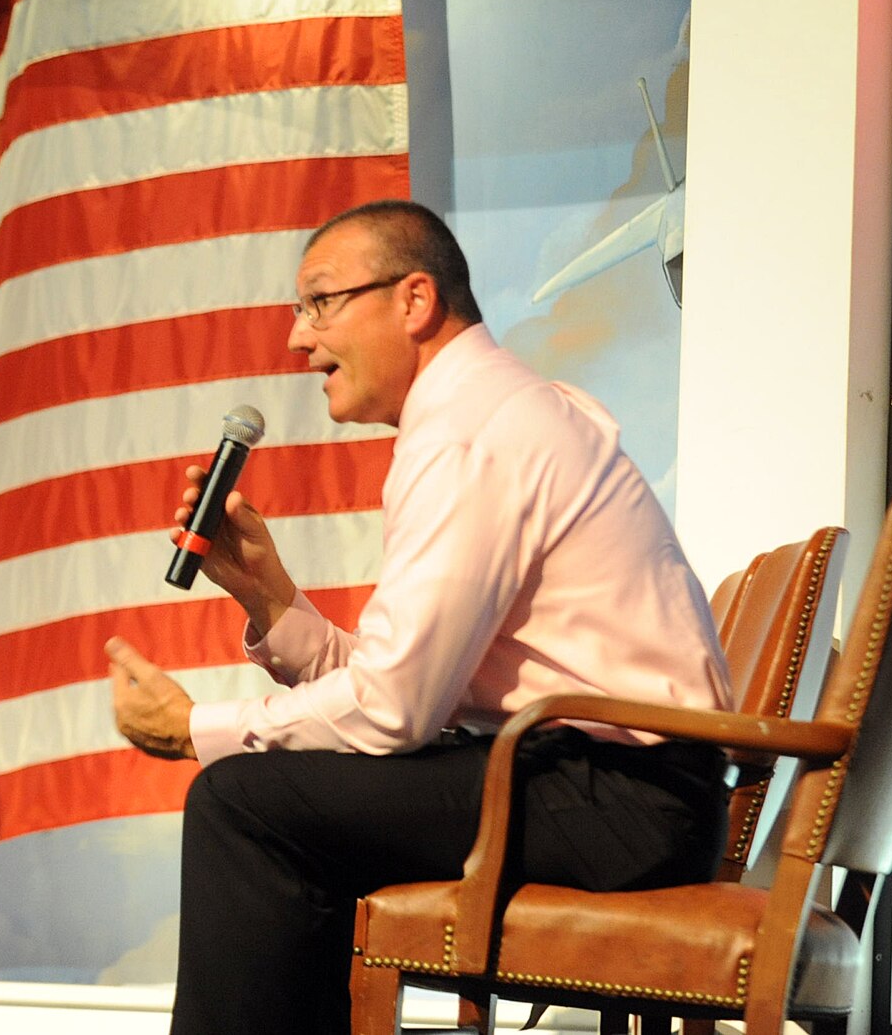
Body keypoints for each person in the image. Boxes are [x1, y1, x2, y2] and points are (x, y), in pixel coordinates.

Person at [106, 200, 733, 1035]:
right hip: (594, 779)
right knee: (276, 800)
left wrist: (199, 728)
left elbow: (394, 708)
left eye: (319, 302)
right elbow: (406, 686)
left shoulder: (470, 433)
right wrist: (269, 597)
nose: (298, 339)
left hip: (618, 798)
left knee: (242, 802)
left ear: (413, 300)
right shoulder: (483, 412)